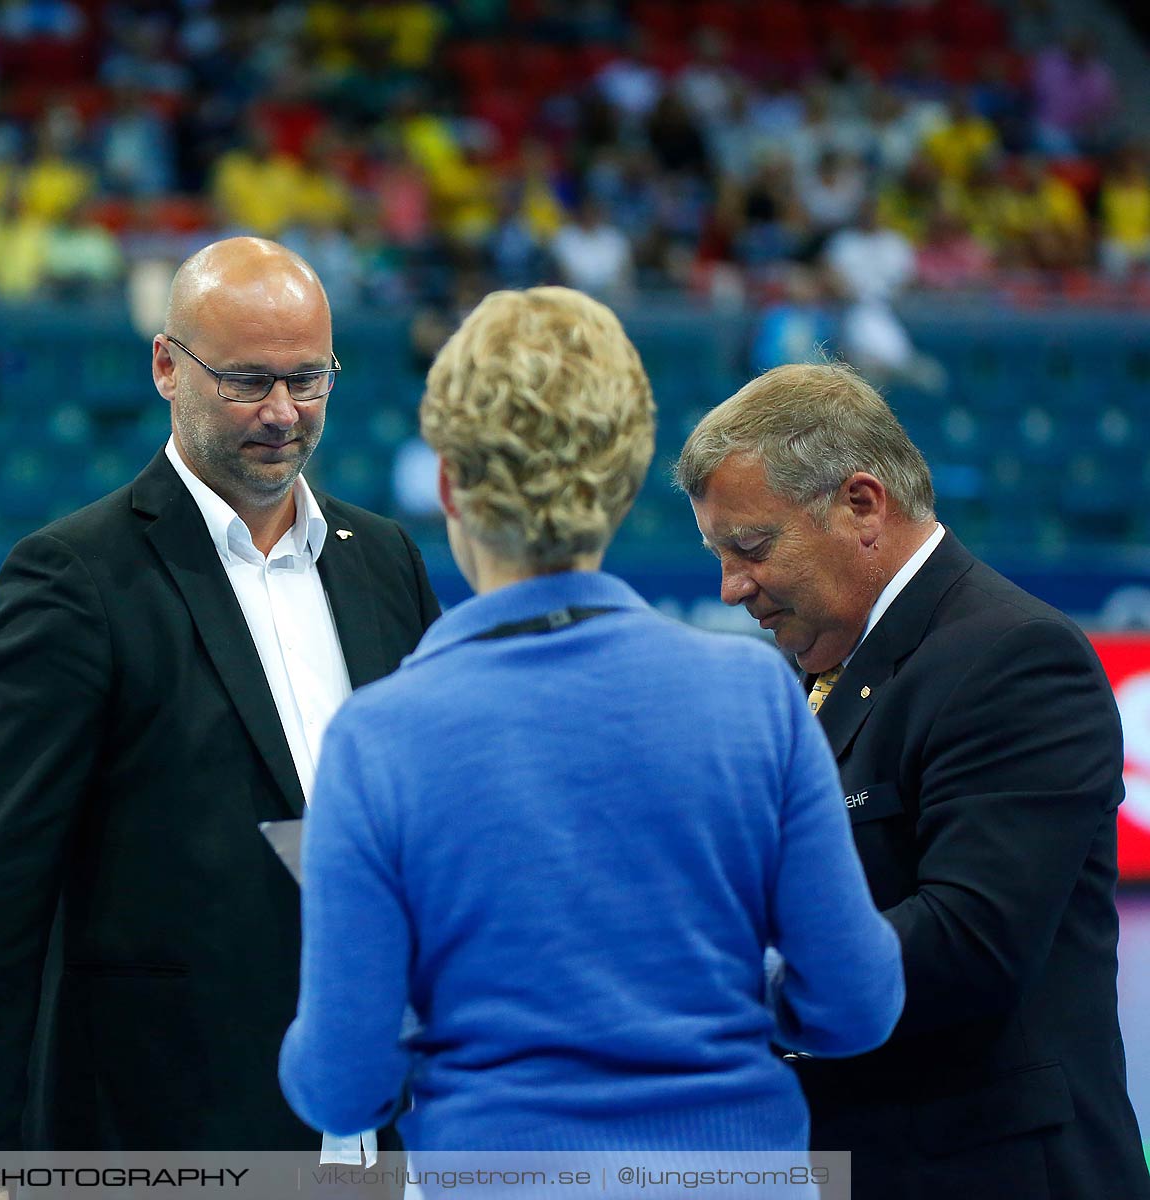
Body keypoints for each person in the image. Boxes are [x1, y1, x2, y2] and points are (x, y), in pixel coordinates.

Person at [279, 288, 901, 1159]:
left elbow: (342, 1082)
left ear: (449, 484)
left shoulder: (380, 739)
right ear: (625, 475)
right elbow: (858, 1003)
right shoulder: (754, 700)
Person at [0, 237, 440, 1152]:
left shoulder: (387, 561)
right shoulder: (74, 577)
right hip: (169, 1124)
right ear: (166, 366)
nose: (283, 413)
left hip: (386, 1122)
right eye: (247, 381)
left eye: (309, 379)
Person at [675, 363, 1150, 1200]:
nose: (731, 587)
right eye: (719, 554)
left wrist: (723, 981)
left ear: (863, 505)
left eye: (751, 548)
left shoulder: (1016, 659)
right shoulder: (827, 666)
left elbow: (970, 943)